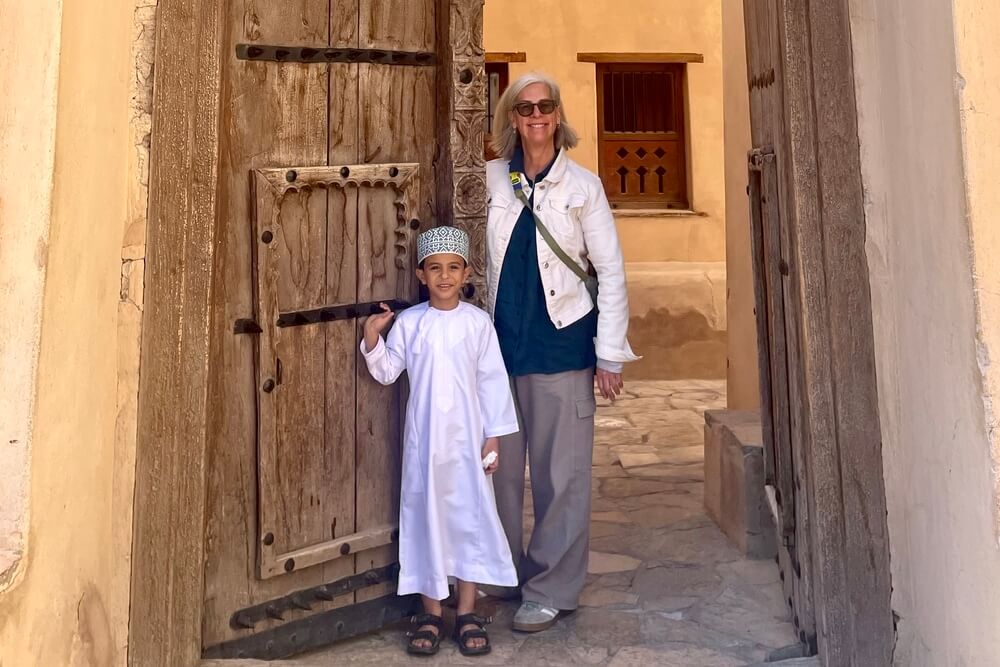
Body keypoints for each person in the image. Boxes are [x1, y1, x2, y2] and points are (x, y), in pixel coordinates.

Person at [485, 72, 640, 632]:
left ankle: (551, 587)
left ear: (557, 114)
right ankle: (500, 572)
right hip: (499, 351)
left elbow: (612, 272)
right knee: (496, 474)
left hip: (562, 346)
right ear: (511, 118)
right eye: (524, 108)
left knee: (561, 476)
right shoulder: (488, 182)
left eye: (544, 106)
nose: (535, 116)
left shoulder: (584, 187)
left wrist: (610, 354)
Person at [361, 225, 519, 657]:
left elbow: (492, 382)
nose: (445, 277)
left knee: (469, 518)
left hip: (468, 445)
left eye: (453, 268)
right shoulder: (411, 324)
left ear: (466, 272)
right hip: (425, 447)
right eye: (435, 268)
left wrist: (494, 439)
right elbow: (388, 371)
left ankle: (467, 611)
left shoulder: (478, 323)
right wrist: (373, 338)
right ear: (420, 274)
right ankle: (431, 611)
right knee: (425, 520)